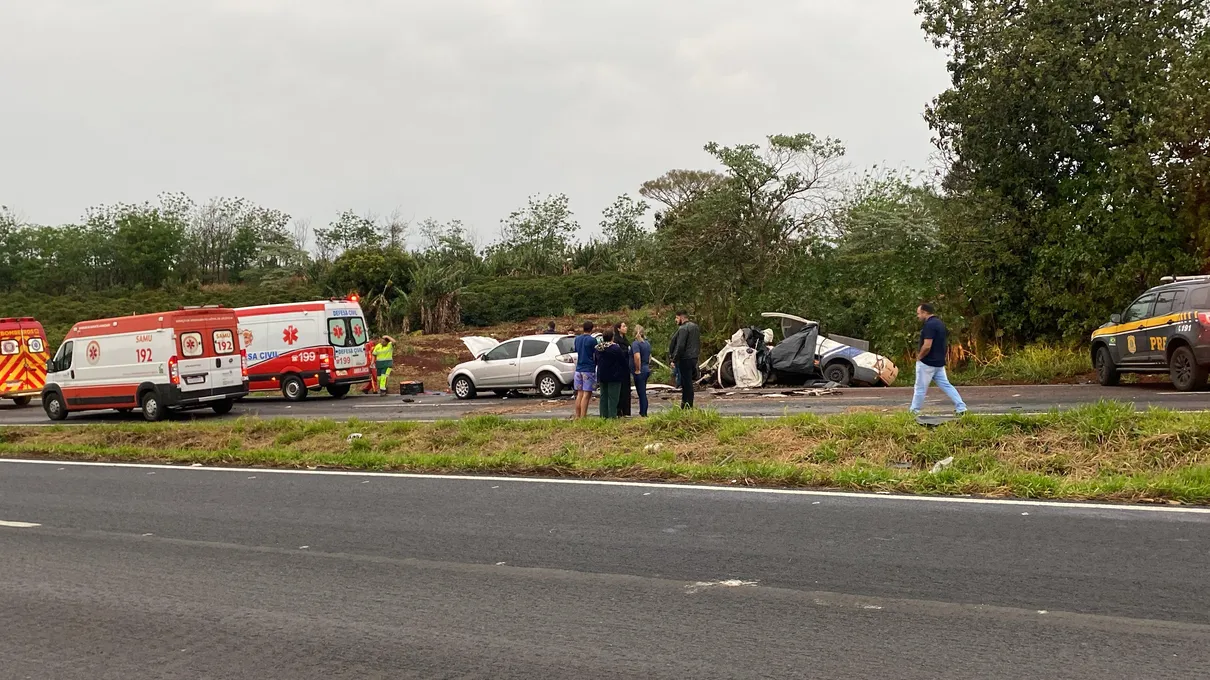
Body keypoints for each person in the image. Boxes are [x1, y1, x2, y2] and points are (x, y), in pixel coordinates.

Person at [910, 303, 967, 416]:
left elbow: (927, 345)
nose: (918, 316)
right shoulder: (940, 324)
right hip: (939, 362)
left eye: (919, 313)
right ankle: (961, 407)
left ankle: (913, 411)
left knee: (920, 388)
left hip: (927, 362)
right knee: (946, 385)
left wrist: (919, 357)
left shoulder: (929, 325)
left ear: (925, 312)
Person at [669, 311, 700, 408]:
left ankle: (686, 404)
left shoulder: (683, 329)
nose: (675, 320)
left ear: (681, 318)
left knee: (686, 383)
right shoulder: (695, 327)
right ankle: (688, 404)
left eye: (677, 318)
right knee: (688, 381)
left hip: (685, 358)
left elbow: (680, 345)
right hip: (694, 357)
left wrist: (674, 359)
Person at [594, 329, 627, 419]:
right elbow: (622, 361)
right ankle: (612, 416)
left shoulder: (598, 348)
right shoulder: (615, 348)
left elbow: (596, 361)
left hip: (602, 375)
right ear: (612, 337)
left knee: (603, 397)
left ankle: (603, 416)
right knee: (613, 398)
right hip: (614, 375)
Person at [573, 321, 599, 419]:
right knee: (587, 394)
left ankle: (577, 416)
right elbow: (595, 354)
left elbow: (576, 350)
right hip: (588, 369)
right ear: (592, 329)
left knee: (579, 393)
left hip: (578, 368)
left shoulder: (577, 339)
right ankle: (583, 416)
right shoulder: (592, 340)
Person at [631, 325, 652, 417]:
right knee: (643, 391)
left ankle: (643, 412)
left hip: (641, 370)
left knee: (641, 392)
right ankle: (643, 411)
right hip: (646, 368)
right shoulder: (647, 343)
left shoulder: (636, 344)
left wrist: (637, 369)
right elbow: (650, 356)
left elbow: (637, 356)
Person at [613, 322, 632, 417]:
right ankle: (619, 410)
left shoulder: (625, 339)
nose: (626, 328)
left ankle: (626, 411)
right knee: (621, 390)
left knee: (626, 390)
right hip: (620, 368)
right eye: (623, 326)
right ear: (618, 329)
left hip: (626, 368)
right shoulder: (616, 340)